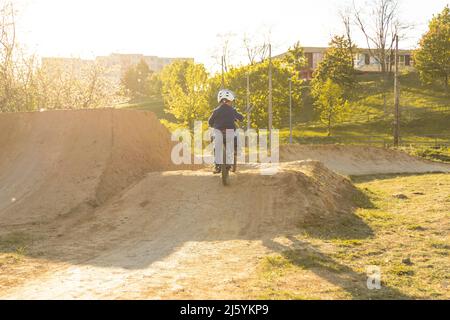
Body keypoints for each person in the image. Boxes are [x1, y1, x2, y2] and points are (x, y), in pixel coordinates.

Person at [208, 89, 244, 174]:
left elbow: (210, 122)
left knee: (216, 146)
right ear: (230, 100)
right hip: (230, 133)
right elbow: (241, 117)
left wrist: (213, 125)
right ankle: (236, 150)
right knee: (236, 135)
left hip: (218, 133)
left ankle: (217, 166)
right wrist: (241, 118)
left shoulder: (216, 111)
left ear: (219, 100)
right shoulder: (232, 110)